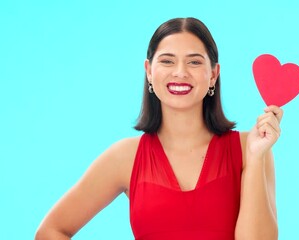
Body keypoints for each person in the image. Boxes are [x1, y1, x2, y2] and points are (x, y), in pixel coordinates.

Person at [35, 17, 282, 240]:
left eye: (194, 62)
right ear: (149, 71)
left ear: (213, 74)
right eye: (167, 61)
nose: (180, 72)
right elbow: (51, 231)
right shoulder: (124, 157)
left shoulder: (249, 148)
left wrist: (256, 157)